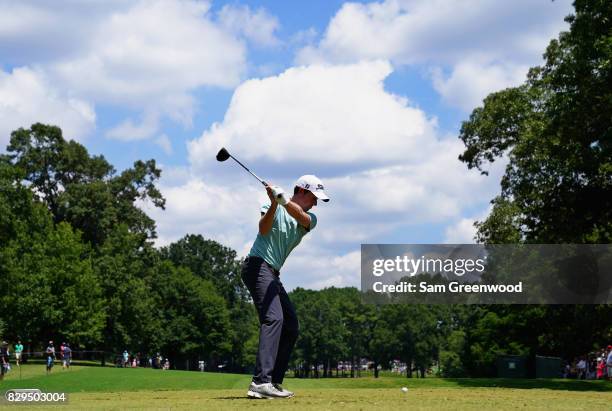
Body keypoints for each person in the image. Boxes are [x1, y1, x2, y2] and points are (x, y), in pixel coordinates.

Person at [242, 175, 329, 399]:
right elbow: (263, 229)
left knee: (290, 325)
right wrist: (273, 203)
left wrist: (282, 200)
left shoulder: (309, 219)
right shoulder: (273, 205)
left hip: (272, 273)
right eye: (313, 197)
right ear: (301, 191)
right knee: (274, 318)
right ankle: (260, 382)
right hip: (257, 265)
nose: (316, 203)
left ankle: (273, 382)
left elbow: (299, 215)